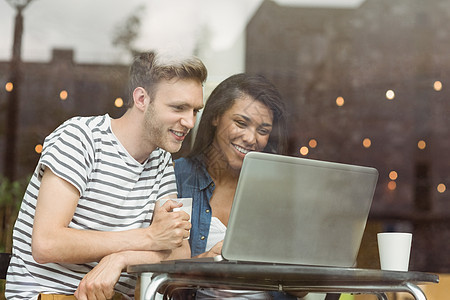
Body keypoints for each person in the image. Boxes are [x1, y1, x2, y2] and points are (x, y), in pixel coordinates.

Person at [5, 50, 207, 299]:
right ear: (142, 99)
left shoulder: (162, 161)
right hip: (47, 295)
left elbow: (178, 251)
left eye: (195, 111)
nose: (189, 121)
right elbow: (47, 243)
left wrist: (120, 258)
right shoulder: (80, 138)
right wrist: (149, 237)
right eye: (179, 107)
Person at [174, 73, 306, 299]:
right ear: (215, 117)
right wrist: (205, 265)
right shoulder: (177, 177)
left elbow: (299, 290)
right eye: (241, 123)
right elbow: (156, 279)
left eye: (263, 131)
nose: (251, 138)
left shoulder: (276, 190)